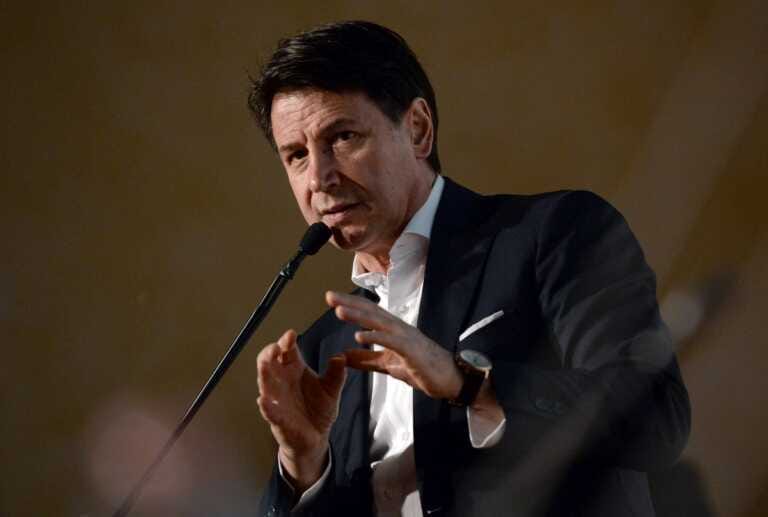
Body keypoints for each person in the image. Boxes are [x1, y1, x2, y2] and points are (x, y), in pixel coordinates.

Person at [248, 20, 690, 517]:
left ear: (417, 129)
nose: (319, 178)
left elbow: (656, 417)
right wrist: (303, 465)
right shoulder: (324, 348)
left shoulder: (552, 234)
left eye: (343, 137)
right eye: (296, 155)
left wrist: (470, 383)